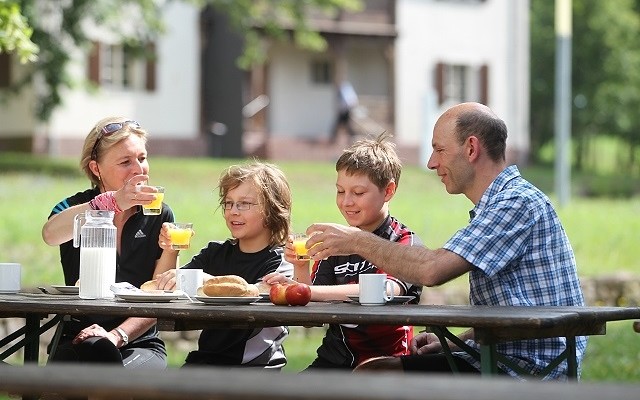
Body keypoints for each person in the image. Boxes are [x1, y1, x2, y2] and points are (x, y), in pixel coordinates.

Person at [304, 102, 587, 380]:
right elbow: (519, 308)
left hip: (527, 369)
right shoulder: (500, 203)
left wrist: (356, 241)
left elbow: (432, 270)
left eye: (439, 149)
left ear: (471, 148)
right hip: (504, 357)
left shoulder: (514, 203)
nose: (431, 162)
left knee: (375, 373)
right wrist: (452, 343)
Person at [265, 133, 422, 370]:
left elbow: (385, 291)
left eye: (358, 193)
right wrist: (300, 268)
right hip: (333, 360)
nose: (346, 202)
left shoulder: (403, 242)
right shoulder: (334, 242)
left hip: (385, 363)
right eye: (340, 191)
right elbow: (311, 319)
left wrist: (306, 291)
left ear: (388, 191)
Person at [42, 117, 177, 367]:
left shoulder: (160, 214)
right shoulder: (74, 208)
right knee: (95, 355)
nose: (139, 169)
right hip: (78, 337)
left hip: (137, 341)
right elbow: (51, 235)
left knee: (110, 369)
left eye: (142, 158)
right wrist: (109, 203)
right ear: (96, 168)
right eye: (125, 162)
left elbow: (159, 294)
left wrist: (117, 335)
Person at [155, 161, 294, 369]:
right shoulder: (215, 253)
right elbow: (162, 287)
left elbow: (255, 293)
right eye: (228, 203)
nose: (233, 211)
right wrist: (170, 250)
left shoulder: (281, 261)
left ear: (272, 209)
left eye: (244, 204)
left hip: (253, 368)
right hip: (206, 361)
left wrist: (206, 281)